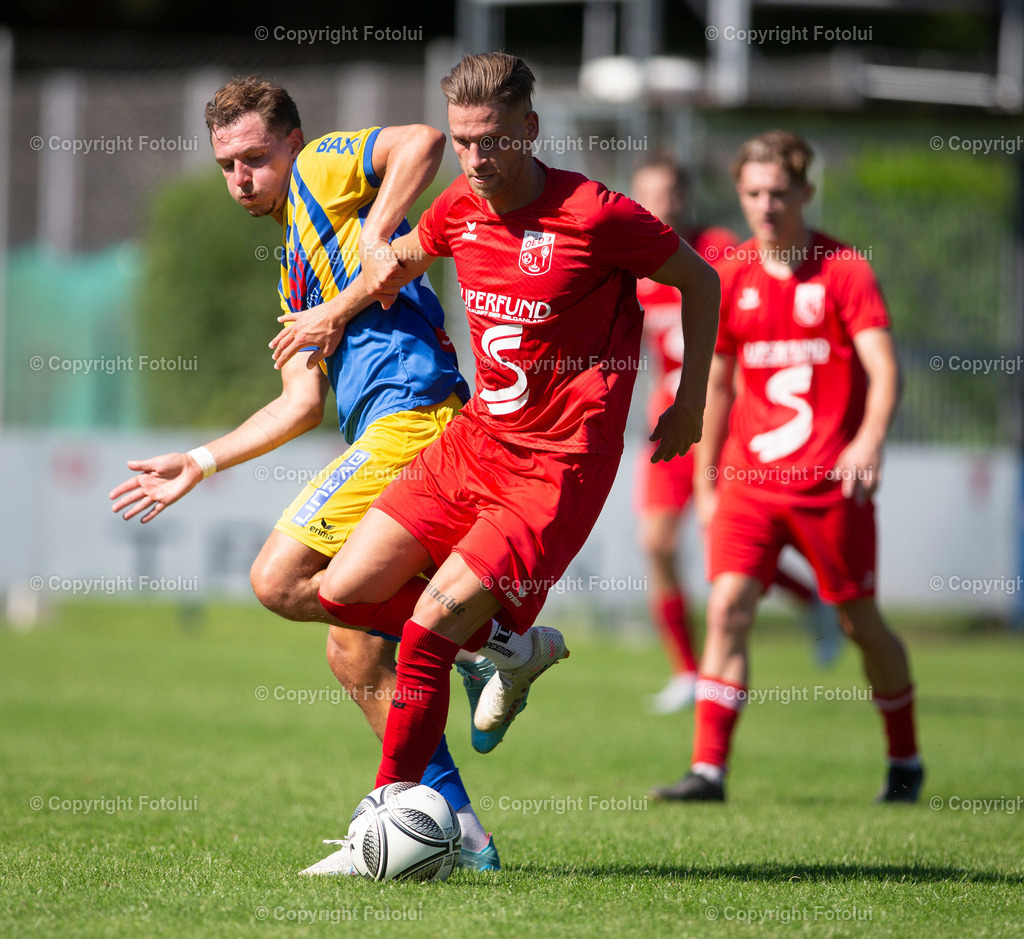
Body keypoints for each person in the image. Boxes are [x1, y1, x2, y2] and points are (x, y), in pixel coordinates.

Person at [269, 52, 720, 822]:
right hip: (475, 442)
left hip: (555, 467)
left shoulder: (596, 214)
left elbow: (701, 281)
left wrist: (692, 403)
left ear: (529, 129)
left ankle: (390, 815)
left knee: (425, 631)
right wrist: (334, 309)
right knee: (342, 591)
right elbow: (397, 264)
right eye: (463, 140)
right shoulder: (459, 206)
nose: (475, 157)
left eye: (491, 140)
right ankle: (509, 647)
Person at [108, 75, 503, 873]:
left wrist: (380, 234)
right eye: (226, 165)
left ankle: (493, 643)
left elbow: (424, 141)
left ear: (293, 141)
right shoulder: (294, 261)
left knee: (278, 577)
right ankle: (463, 836)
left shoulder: (324, 169)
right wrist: (200, 461)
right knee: (353, 652)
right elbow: (300, 403)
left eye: (255, 157)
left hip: (414, 417)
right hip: (390, 427)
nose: (239, 177)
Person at [649, 130, 923, 803]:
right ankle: (708, 770)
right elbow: (716, 386)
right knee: (728, 607)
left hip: (831, 483)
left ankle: (905, 757)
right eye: (753, 193)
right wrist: (708, 480)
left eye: (778, 192)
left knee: (861, 622)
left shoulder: (845, 270)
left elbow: (885, 368)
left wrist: (870, 440)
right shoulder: (729, 273)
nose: (766, 206)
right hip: (749, 482)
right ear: (739, 196)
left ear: (805, 192)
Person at [632, 155, 844, 714]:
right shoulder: (634, 261)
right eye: (648, 193)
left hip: (722, 426)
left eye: (669, 192)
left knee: (730, 545)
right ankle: (686, 672)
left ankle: (813, 603)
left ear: (685, 196)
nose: (660, 204)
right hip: (668, 425)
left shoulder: (721, 250)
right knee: (656, 543)